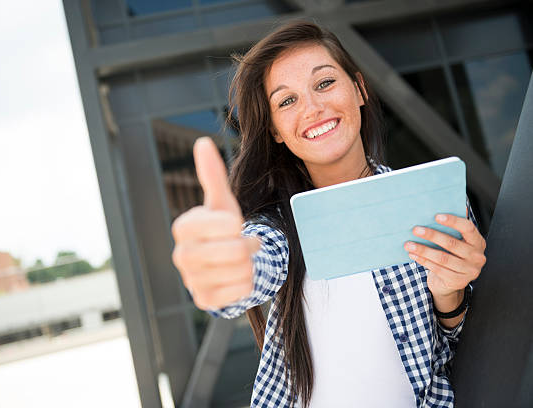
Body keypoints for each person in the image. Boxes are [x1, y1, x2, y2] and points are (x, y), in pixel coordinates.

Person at [171, 21, 486, 408]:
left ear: (359, 89)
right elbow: (254, 266)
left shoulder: (433, 204)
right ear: (275, 131)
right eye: (287, 101)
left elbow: (465, 347)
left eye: (324, 83)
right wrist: (224, 272)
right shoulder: (279, 230)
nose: (313, 108)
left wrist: (450, 297)